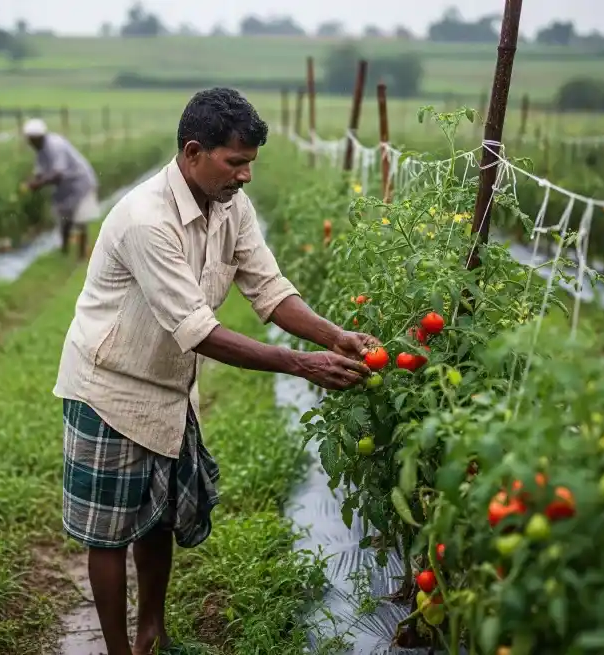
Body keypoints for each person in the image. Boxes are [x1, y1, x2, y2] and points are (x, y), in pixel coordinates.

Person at [52, 87, 380, 655]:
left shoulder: (230, 205)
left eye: (251, 163)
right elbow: (197, 329)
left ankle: (151, 631)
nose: (245, 175)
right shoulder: (145, 220)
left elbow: (269, 290)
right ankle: (117, 649)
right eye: (236, 163)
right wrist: (300, 363)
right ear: (194, 152)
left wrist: (336, 336)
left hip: (169, 384)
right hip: (107, 386)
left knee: (155, 519)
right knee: (106, 534)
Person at [22, 118, 101, 259]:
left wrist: (37, 184)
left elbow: (58, 174)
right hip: (66, 186)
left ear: (38, 138)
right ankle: (64, 250)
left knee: (80, 218)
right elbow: (40, 172)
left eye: (31, 140)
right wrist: (33, 181)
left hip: (80, 182)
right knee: (64, 216)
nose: (29, 143)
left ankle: (81, 255)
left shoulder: (55, 145)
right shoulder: (40, 149)